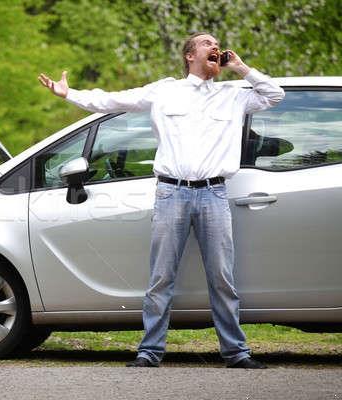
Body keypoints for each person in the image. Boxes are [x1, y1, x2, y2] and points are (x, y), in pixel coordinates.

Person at [38, 32, 284, 369]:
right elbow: (113, 101)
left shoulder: (233, 96)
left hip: (214, 194)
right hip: (172, 194)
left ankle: (236, 353)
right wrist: (70, 94)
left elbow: (274, 94)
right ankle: (150, 351)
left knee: (222, 277)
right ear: (189, 56)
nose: (215, 47)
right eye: (206, 44)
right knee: (161, 276)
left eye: (217, 45)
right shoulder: (165, 91)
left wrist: (240, 67)